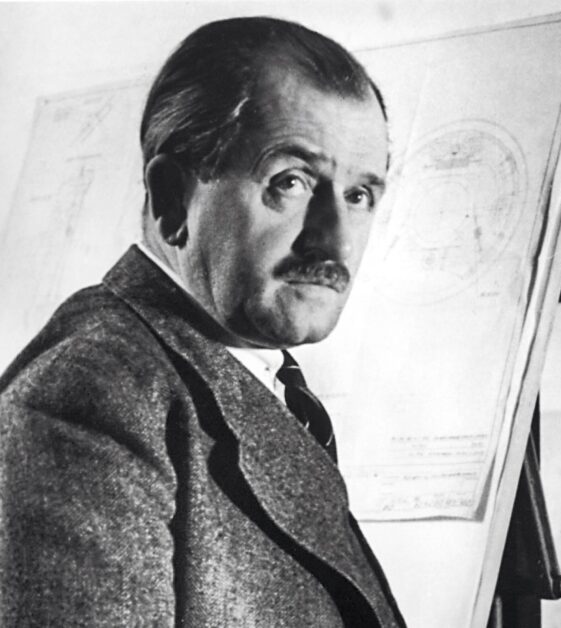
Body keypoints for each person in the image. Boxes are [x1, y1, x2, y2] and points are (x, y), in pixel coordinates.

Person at [0, 17, 405, 627]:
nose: (336, 241)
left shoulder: (244, 376)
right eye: (291, 182)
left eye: (358, 195)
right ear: (172, 199)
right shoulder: (89, 396)